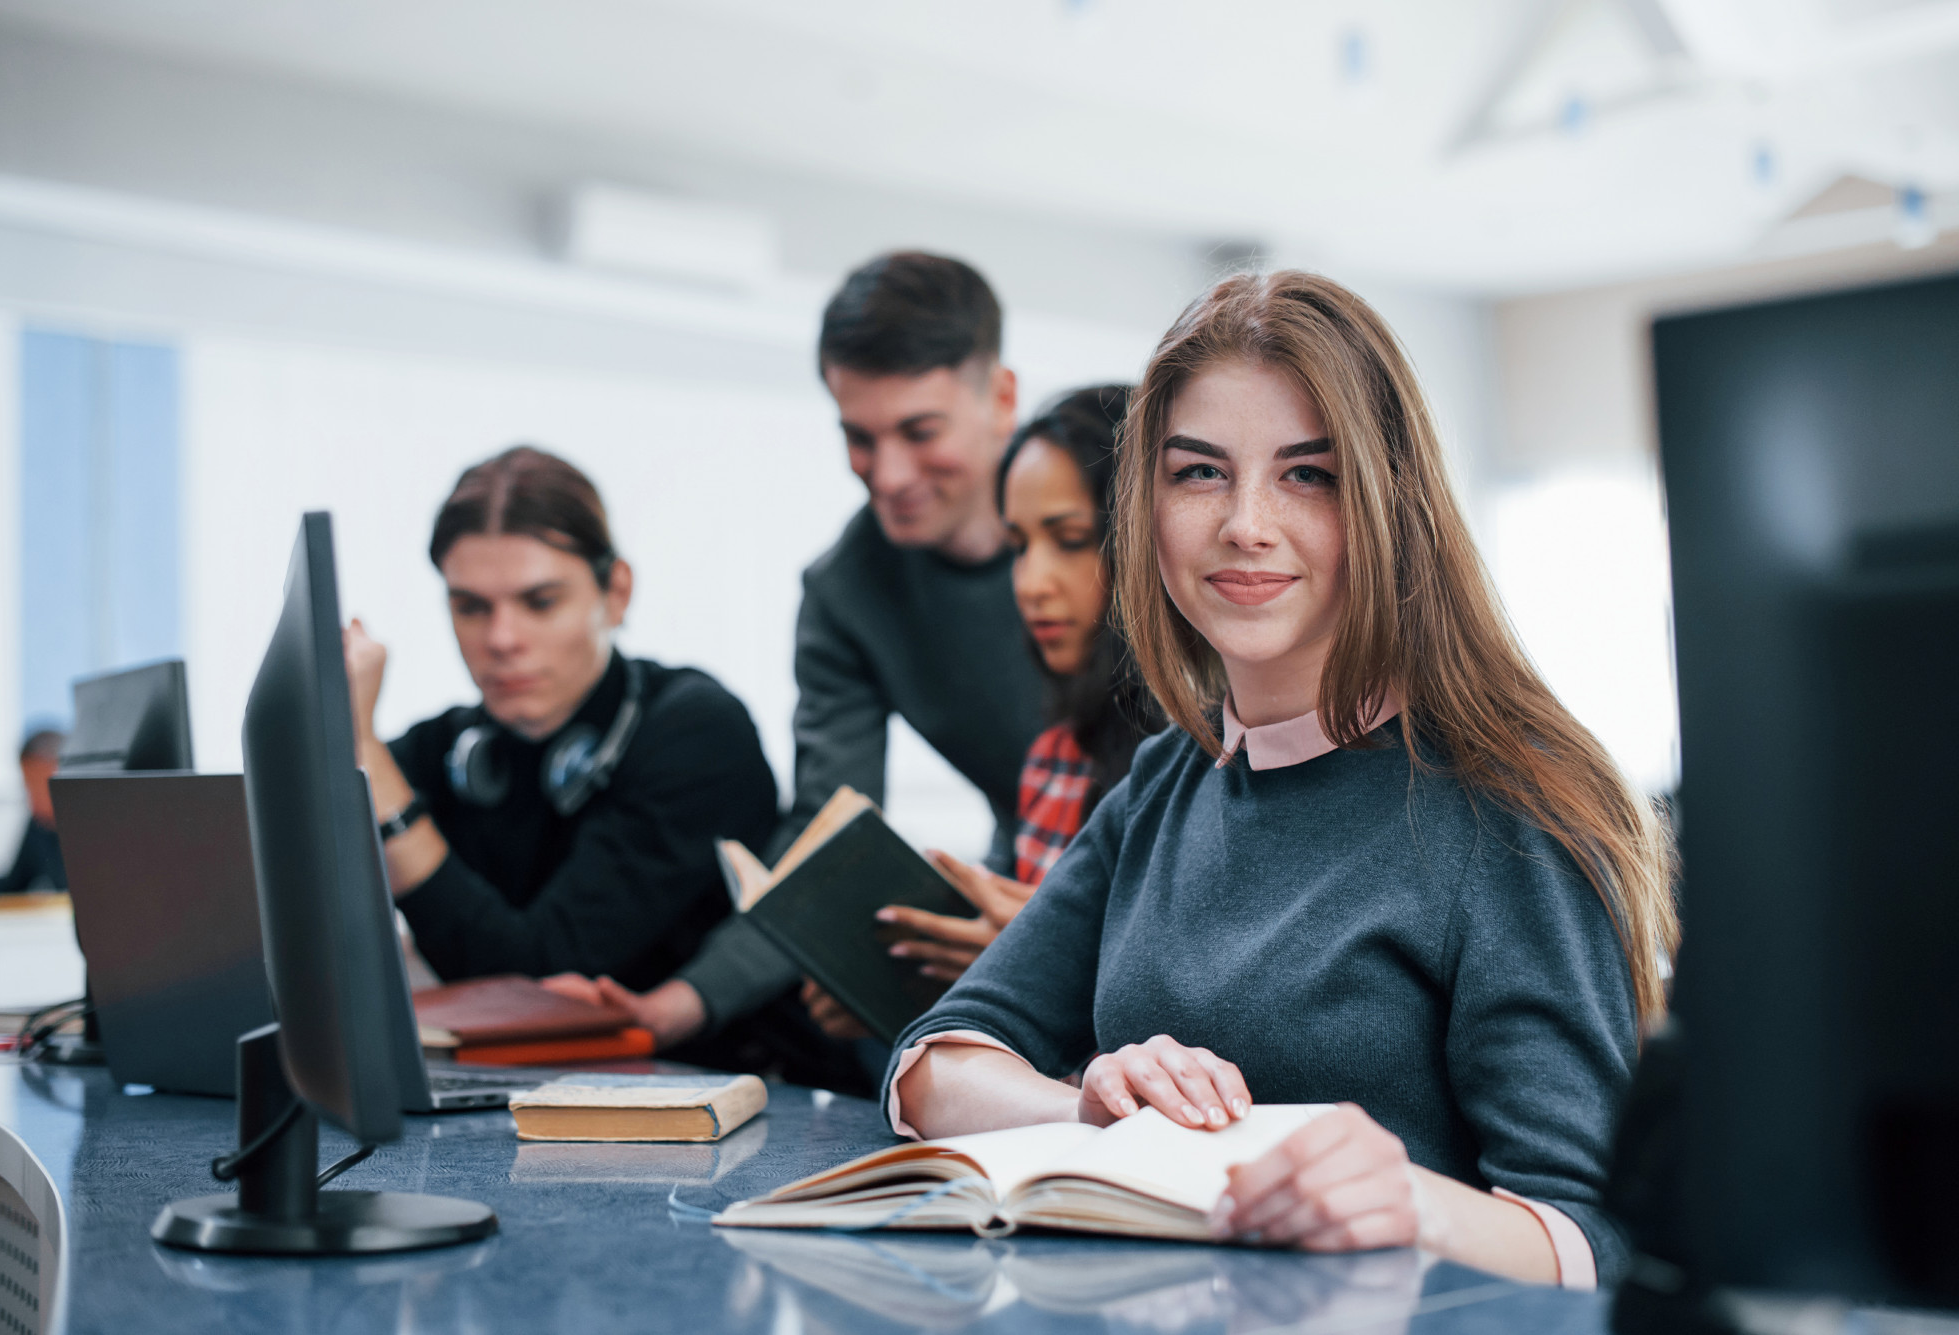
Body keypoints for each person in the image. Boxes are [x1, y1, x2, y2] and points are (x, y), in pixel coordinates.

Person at [890, 272, 1678, 1289]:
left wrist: (1407, 1201)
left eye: (1307, 475)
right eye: (1199, 474)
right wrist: (1090, 1102)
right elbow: (934, 1064)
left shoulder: (1508, 812)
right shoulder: (1166, 782)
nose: (1244, 525)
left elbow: (1601, 1243)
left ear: (1389, 501)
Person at [579, 252, 1052, 1057]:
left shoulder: (1129, 513)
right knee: (859, 1032)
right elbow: (828, 830)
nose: (887, 473)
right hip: (1023, 882)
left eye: (919, 431)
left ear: (1000, 399)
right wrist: (681, 1004)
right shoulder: (846, 591)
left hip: (1151, 892)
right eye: (858, 437)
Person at [346, 446, 847, 1085]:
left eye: (539, 601)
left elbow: (534, 982)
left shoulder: (697, 732)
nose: (500, 639)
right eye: (471, 607)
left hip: (736, 1105)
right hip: (527, 1105)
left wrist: (369, 767)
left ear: (616, 593)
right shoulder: (443, 746)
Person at [875, 384, 1163, 986]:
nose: (1031, 583)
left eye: (1070, 540)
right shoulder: (1054, 755)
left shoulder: (1213, 762)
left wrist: (1047, 953)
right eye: (1019, 546)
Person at [0, 728, 67, 894]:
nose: (32, 794)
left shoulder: (84, 826)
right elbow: (15, 883)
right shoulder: (38, 826)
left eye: (38, 784)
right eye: (28, 785)